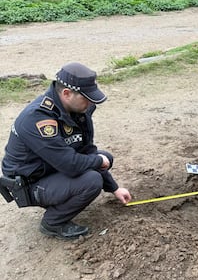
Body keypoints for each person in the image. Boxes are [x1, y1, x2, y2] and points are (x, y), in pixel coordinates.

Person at [1, 62, 131, 239]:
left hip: (51, 167)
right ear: (67, 93)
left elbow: (86, 150)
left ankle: (61, 196)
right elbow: (70, 165)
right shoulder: (37, 118)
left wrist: (114, 188)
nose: (91, 102)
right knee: (92, 180)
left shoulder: (78, 110)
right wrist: (98, 162)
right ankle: (53, 223)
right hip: (29, 181)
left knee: (103, 158)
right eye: (86, 97)